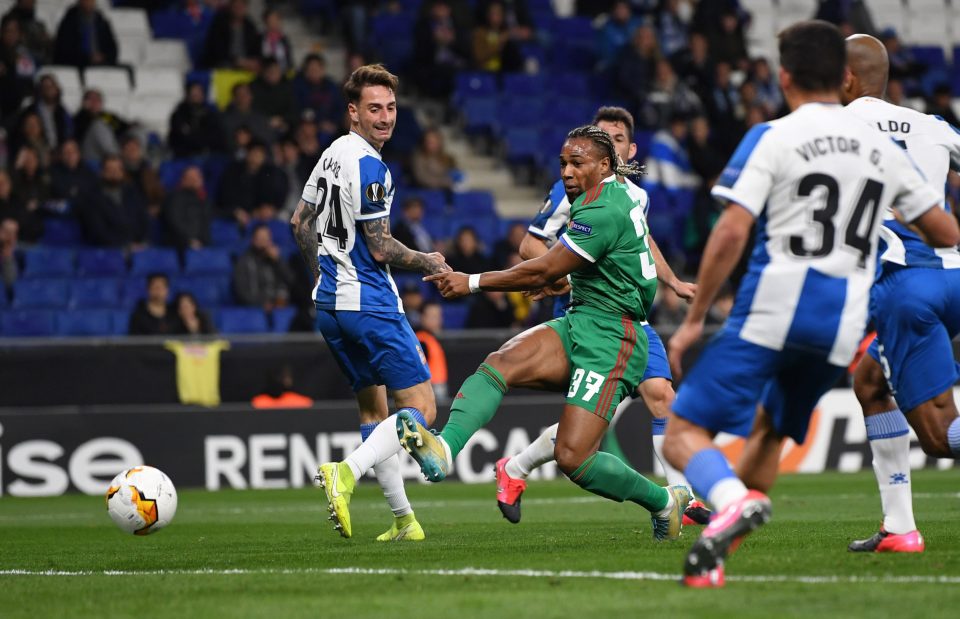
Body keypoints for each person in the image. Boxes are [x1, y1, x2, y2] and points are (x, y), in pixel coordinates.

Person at [660, 21, 959, 588]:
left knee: (681, 434)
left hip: (776, 309)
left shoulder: (773, 134)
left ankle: (727, 502)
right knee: (772, 429)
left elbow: (729, 231)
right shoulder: (886, 146)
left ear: (786, 75)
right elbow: (944, 229)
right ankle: (714, 554)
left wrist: (693, 320)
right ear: (841, 76)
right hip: (843, 325)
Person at [387, 125, 693, 544]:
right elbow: (567, 265)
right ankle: (444, 447)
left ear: (604, 166)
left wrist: (471, 281)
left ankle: (663, 501)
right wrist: (558, 282)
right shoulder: (604, 197)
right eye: (563, 163)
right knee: (501, 362)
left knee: (573, 457)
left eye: (577, 163)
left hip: (614, 338)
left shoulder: (602, 210)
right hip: (582, 319)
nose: (566, 171)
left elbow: (544, 264)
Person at [503, 106, 706, 526]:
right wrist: (568, 280)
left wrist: (672, 282)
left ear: (627, 151)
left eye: (616, 141)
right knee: (589, 428)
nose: (608, 149)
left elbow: (641, 242)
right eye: (602, 140)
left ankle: (683, 499)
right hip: (589, 317)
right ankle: (517, 467)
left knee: (662, 397)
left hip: (631, 316)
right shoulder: (568, 192)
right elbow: (529, 246)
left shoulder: (635, 196)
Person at [291, 64, 450, 542]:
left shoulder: (332, 152)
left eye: (391, 108)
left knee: (372, 412)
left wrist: (322, 277)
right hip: (372, 304)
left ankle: (404, 520)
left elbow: (300, 221)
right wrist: (428, 260)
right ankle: (347, 473)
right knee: (423, 407)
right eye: (374, 109)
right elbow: (380, 248)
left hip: (331, 307)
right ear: (353, 113)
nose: (385, 117)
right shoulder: (369, 164)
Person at [837, 35, 960, 553]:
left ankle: (903, 530)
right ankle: (899, 526)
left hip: (904, 284)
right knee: (870, 383)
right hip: (951, 272)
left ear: (845, 77)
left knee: (938, 436)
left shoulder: (830, 126)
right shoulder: (933, 125)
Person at [76, 154, 148, 248]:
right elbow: (97, 232)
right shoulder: (92, 198)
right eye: (110, 169)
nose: (114, 172)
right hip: (109, 251)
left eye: (118, 169)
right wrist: (125, 246)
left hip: (138, 249)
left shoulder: (132, 193)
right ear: (102, 172)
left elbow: (145, 221)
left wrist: (144, 242)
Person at [233, 223, 293, 312]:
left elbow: (291, 281)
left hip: (277, 307)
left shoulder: (275, 260)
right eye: (260, 239)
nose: (264, 243)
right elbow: (241, 292)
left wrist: (278, 261)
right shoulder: (244, 261)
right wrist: (261, 303)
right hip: (254, 309)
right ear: (253, 240)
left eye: (266, 239)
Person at [53, 0, 117, 68]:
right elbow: (65, 51)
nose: (89, 3)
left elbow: (112, 48)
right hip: (77, 65)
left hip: (101, 64)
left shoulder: (101, 21)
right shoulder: (69, 21)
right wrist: (88, 58)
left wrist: (103, 57)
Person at [163, 165, 211, 250]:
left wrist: (233, 211)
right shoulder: (175, 198)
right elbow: (175, 223)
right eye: (192, 177)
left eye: (198, 176)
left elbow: (214, 212)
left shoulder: (202, 198)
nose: (196, 179)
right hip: (181, 245)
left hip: (202, 243)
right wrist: (189, 240)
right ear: (183, 180)